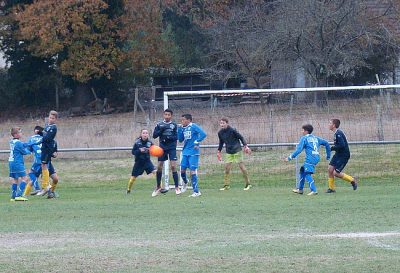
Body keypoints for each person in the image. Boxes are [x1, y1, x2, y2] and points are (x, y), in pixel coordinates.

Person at [284, 124, 331, 196]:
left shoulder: (304, 138)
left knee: (307, 173)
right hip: (316, 157)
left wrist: (289, 157)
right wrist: (328, 155)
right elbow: (327, 143)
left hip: (310, 158)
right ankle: (300, 189)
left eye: (302, 130)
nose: (301, 131)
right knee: (303, 170)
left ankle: (314, 190)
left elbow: (299, 149)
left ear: (306, 131)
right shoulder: (316, 138)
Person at [217, 118, 252, 191]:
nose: (222, 124)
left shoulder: (233, 130)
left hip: (237, 151)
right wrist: (219, 151)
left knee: (242, 168)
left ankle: (248, 184)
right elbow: (221, 142)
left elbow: (241, 137)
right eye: (221, 123)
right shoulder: (220, 133)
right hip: (229, 152)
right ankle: (226, 185)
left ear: (227, 123)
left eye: (223, 123)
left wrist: (245, 146)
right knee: (227, 169)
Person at [178, 114, 207, 197]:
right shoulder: (184, 128)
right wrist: (179, 130)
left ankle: (196, 191)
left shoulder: (193, 126)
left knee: (192, 171)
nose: (182, 122)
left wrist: (196, 141)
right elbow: (180, 140)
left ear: (189, 120)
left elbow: (203, 134)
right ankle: (186, 182)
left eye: (183, 120)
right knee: (182, 170)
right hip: (185, 152)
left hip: (193, 152)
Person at [326, 119, 358, 193]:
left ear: (333, 125)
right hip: (338, 154)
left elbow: (342, 145)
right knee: (330, 169)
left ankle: (352, 180)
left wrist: (332, 148)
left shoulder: (338, 133)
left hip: (344, 155)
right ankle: (331, 188)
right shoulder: (336, 133)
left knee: (336, 173)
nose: (328, 124)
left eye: (330, 123)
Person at [153, 108, 180, 195]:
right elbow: (154, 136)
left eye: (169, 115)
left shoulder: (174, 125)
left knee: (173, 166)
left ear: (171, 116)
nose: (167, 116)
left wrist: (169, 138)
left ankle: (176, 187)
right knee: (159, 166)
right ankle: (158, 187)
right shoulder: (159, 124)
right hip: (162, 148)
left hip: (171, 148)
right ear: (163, 115)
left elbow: (177, 137)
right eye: (166, 114)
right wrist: (161, 130)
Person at [127, 129, 159, 197]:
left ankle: (159, 188)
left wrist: (155, 151)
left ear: (148, 135)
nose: (145, 134)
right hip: (139, 162)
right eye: (143, 133)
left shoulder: (150, 143)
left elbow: (154, 150)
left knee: (155, 172)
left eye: (146, 133)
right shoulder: (137, 142)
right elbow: (133, 152)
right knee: (133, 178)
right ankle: (128, 189)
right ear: (141, 134)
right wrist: (139, 150)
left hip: (147, 161)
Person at [36, 110, 59, 198]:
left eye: (53, 118)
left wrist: (41, 138)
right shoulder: (47, 126)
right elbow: (45, 135)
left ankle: (46, 188)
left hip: (46, 150)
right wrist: (40, 132)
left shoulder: (53, 128)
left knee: (43, 165)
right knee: (56, 179)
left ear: (55, 119)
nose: (51, 119)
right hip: (45, 149)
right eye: (50, 117)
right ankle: (50, 193)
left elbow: (48, 138)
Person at [8, 127, 32, 201]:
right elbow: (24, 152)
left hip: (11, 162)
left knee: (15, 179)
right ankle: (19, 195)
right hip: (17, 162)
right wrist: (30, 151)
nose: (21, 133)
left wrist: (30, 143)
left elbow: (23, 144)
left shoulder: (12, 141)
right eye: (20, 132)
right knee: (25, 178)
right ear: (15, 135)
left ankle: (13, 197)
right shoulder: (18, 143)